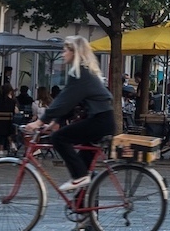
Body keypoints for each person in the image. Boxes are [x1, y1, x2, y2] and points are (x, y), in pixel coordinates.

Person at [25, 35, 114, 193]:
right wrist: (55, 121)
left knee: (59, 138)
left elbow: (65, 100)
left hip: (99, 121)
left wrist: (40, 122)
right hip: (102, 121)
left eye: (65, 50)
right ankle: (87, 211)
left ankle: (80, 178)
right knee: (82, 165)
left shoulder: (80, 73)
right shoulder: (83, 72)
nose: (63, 53)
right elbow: (71, 101)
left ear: (75, 52)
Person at [0, 84, 17, 156]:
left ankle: (1, 149)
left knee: (3, 129)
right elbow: (13, 113)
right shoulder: (11, 101)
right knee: (7, 127)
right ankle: (11, 143)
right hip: (7, 126)